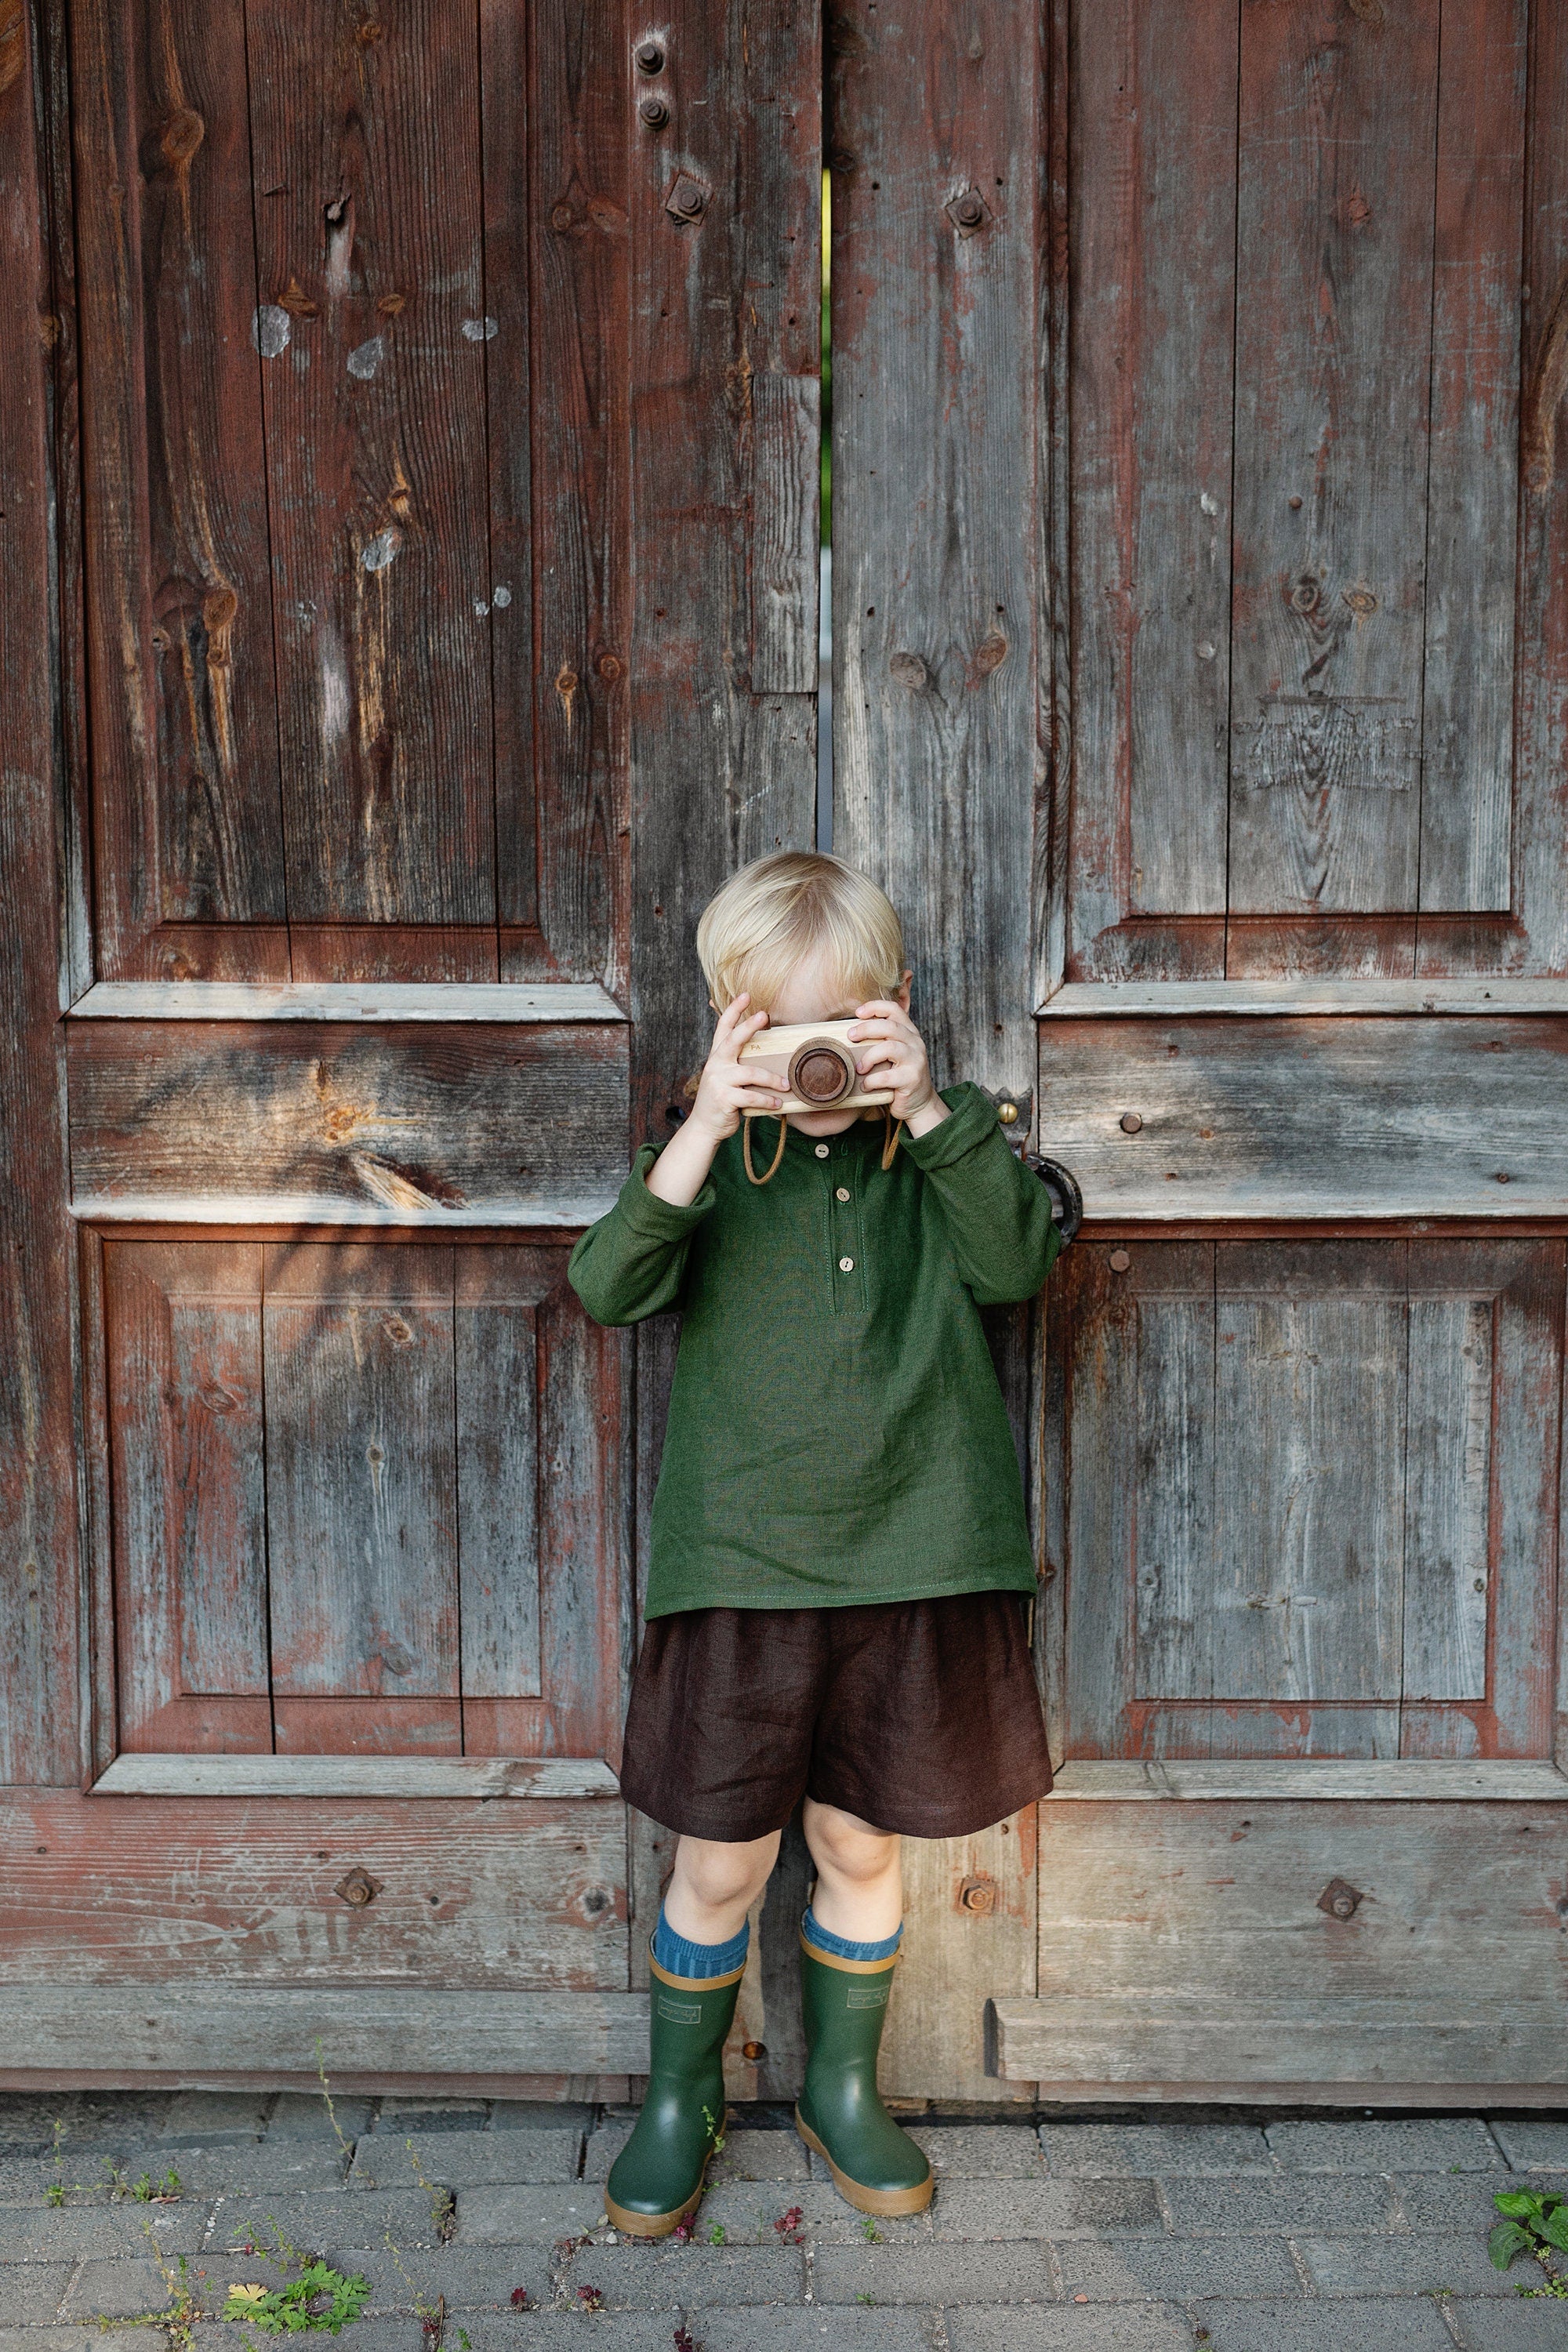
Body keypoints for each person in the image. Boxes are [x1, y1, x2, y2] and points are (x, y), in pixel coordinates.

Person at [568, 850, 1061, 2234]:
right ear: (732, 1029)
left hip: (916, 1556)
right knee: (720, 1856)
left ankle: (846, 2091)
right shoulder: (713, 1157)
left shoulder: (938, 1145)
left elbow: (1017, 1268)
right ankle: (683, 2103)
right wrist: (708, 1124)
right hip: (743, 1564)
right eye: (784, 1037)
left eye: (847, 1028)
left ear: (895, 1009)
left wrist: (934, 1109)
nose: (818, 1064)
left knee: (857, 1838)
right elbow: (607, 1288)